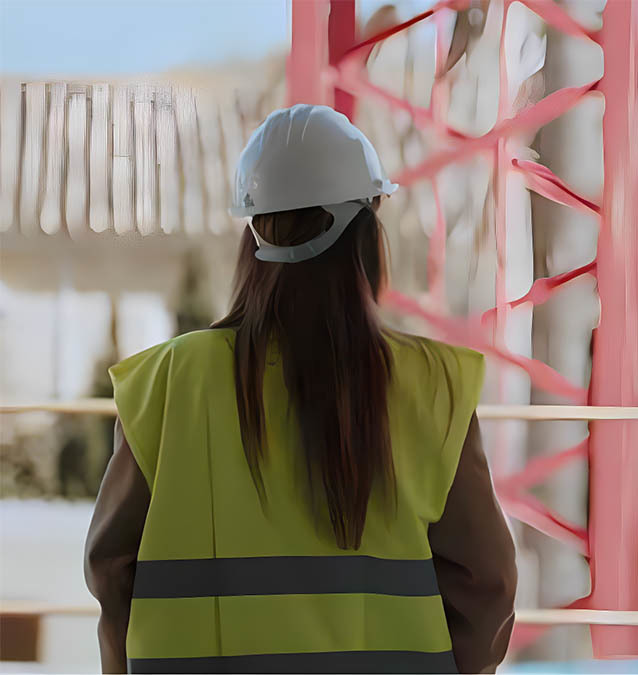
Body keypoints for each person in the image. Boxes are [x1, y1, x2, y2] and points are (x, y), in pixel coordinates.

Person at [84, 104, 517, 674]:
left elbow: (110, 567)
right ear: (365, 238)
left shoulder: (167, 383)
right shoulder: (432, 385)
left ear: (253, 235)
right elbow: (487, 583)